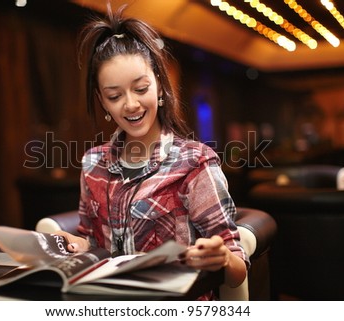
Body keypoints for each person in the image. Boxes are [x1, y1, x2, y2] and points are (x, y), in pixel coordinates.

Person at [55, 4, 249, 300]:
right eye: (115, 96)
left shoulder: (195, 163)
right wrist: (79, 245)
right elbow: (91, 239)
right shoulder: (93, 163)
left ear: (160, 86)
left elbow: (238, 270)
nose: (130, 104)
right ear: (102, 101)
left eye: (141, 88)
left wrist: (221, 257)